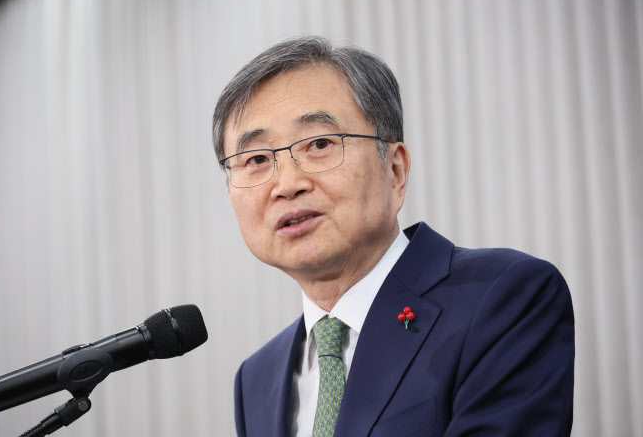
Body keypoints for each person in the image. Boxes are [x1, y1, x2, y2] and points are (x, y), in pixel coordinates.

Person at [212, 36, 574, 437]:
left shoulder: (505, 297)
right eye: (256, 159)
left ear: (395, 170)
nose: (287, 184)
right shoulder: (257, 378)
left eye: (319, 143)